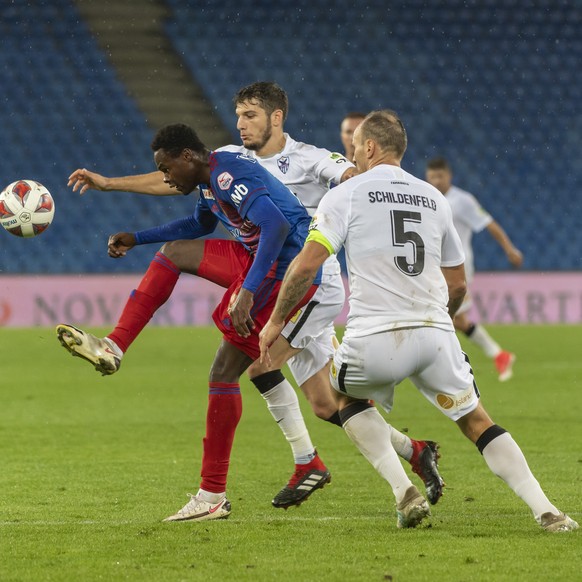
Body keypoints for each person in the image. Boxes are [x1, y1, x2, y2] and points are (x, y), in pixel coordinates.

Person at [65, 82, 445, 505]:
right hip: (263, 268)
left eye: (250, 116)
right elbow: (179, 188)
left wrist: (383, 184)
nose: (241, 123)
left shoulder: (311, 158)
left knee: (251, 367)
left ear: (276, 117)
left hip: (307, 281)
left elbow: (352, 181)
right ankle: (413, 451)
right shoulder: (228, 161)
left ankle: (297, 468)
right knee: (324, 403)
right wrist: (125, 214)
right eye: (239, 115)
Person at [259, 110, 578, 532]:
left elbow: (305, 266)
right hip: (435, 335)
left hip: (374, 336)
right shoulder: (433, 197)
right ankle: (548, 511)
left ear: (370, 147)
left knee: (341, 400)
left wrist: (278, 320)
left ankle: (403, 492)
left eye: (356, 146)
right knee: (477, 421)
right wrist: (437, 323)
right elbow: (458, 284)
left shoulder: (347, 194)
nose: (353, 153)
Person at [59, 123, 333, 521]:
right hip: (259, 259)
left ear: (188, 156)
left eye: (166, 168)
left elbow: (276, 225)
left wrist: (250, 291)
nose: (166, 177)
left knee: (223, 374)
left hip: (286, 270)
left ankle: (212, 496)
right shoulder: (208, 183)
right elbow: (199, 226)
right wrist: (138, 237)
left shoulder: (226, 174)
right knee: (175, 252)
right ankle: (115, 345)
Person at [425, 157, 523, 381]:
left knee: (448, 316)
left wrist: (510, 249)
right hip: (436, 265)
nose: (436, 181)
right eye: (431, 177)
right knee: (454, 318)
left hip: (459, 266)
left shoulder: (462, 200)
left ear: (449, 175)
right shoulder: (428, 198)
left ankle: (449, 366)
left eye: (440, 176)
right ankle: (498, 355)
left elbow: (489, 224)